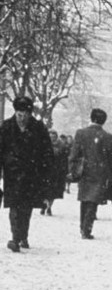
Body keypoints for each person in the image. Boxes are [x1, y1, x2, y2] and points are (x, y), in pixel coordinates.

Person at [0, 95, 54, 252]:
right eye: (19, 114)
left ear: (30, 114)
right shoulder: (6, 127)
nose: (22, 118)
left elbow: (47, 153)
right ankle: (16, 238)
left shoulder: (38, 128)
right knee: (14, 206)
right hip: (12, 174)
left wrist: (45, 173)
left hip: (32, 174)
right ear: (15, 112)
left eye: (25, 114)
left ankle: (22, 236)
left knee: (26, 207)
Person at [69, 108, 112, 240]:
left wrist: (73, 170)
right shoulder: (107, 136)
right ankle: (87, 228)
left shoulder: (81, 133)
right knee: (93, 201)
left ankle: (82, 226)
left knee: (84, 199)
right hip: (100, 173)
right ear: (103, 121)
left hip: (85, 171)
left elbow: (74, 153)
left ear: (91, 118)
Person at [43, 130, 68, 216]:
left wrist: (65, 171)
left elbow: (64, 160)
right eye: (50, 136)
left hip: (56, 172)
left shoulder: (61, 146)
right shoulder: (43, 145)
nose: (52, 138)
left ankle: (49, 206)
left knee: (53, 191)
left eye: (53, 136)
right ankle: (44, 205)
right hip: (45, 171)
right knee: (45, 190)